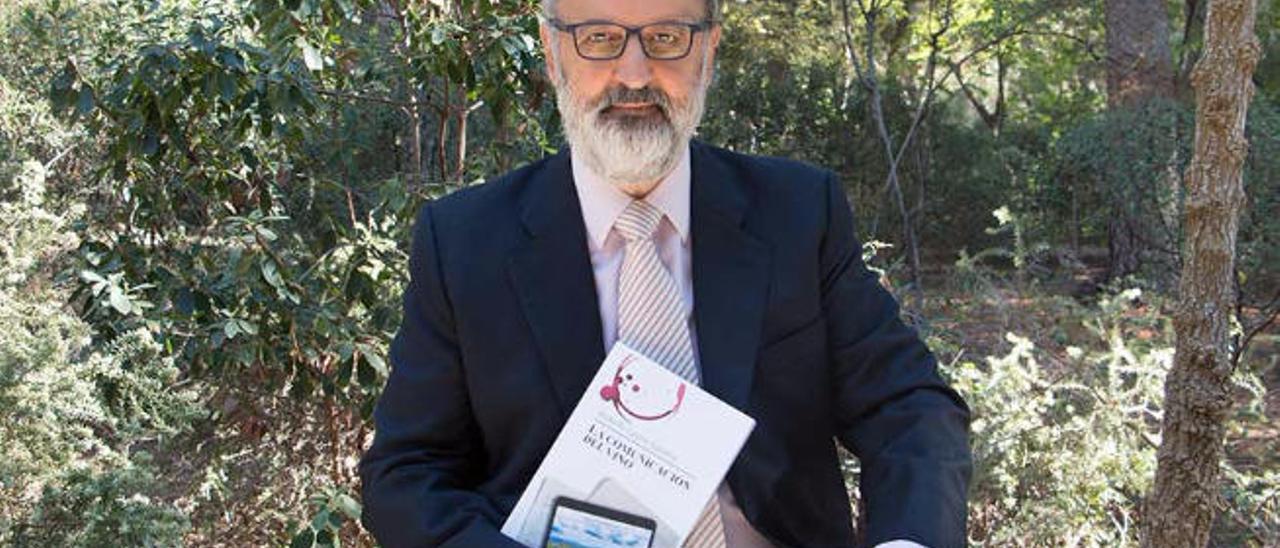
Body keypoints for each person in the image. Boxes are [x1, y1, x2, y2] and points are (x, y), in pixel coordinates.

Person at [358, 0, 972, 545]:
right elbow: (407, 472)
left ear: (708, 50)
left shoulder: (797, 213)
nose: (633, 75)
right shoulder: (465, 242)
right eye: (598, 38)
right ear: (551, 52)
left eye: (667, 38)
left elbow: (908, 405)